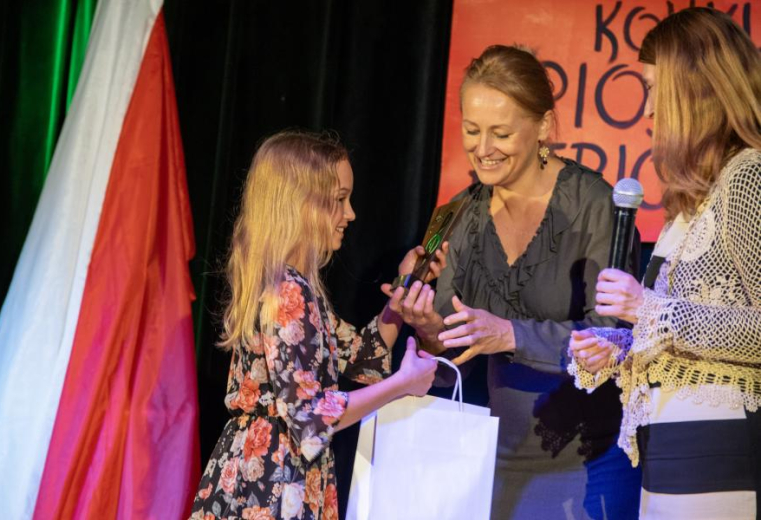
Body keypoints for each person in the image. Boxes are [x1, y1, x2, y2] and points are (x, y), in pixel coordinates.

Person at [406, 45, 641, 519]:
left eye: (501, 133)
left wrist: (510, 334)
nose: (483, 148)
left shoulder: (594, 204)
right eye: (472, 130)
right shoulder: (458, 213)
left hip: (590, 465)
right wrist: (428, 328)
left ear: (544, 127)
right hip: (492, 464)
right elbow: (449, 360)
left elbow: (612, 339)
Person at [568, 7, 761, 519]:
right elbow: (683, 332)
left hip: (721, 451)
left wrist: (651, 311)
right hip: (670, 451)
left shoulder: (748, 177)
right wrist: (619, 347)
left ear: (693, 91)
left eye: (655, 90)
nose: (648, 109)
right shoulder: (692, 198)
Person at [189, 130, 442, 520]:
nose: (350, 214)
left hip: (272, 473)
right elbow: (311, 415)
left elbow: (361, 354)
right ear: (301, 204)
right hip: (271, 481)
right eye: (339, 200)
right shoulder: (288, 290)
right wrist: (402, 384)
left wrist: (407, 285)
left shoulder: (294, 286)